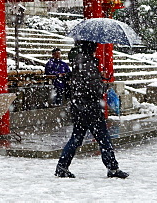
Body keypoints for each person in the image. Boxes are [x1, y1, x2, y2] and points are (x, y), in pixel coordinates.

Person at [55, 40, 129, 179]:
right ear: (91, 49)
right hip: (90, 108)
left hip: (79, 107)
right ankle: (112, 168)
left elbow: (83, 84)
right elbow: (94, 89)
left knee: (76, 138)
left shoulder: (79, 63)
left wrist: (99, 79)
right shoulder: (88, 64)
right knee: (103, 138)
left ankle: (62, 166)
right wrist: (105, 84)